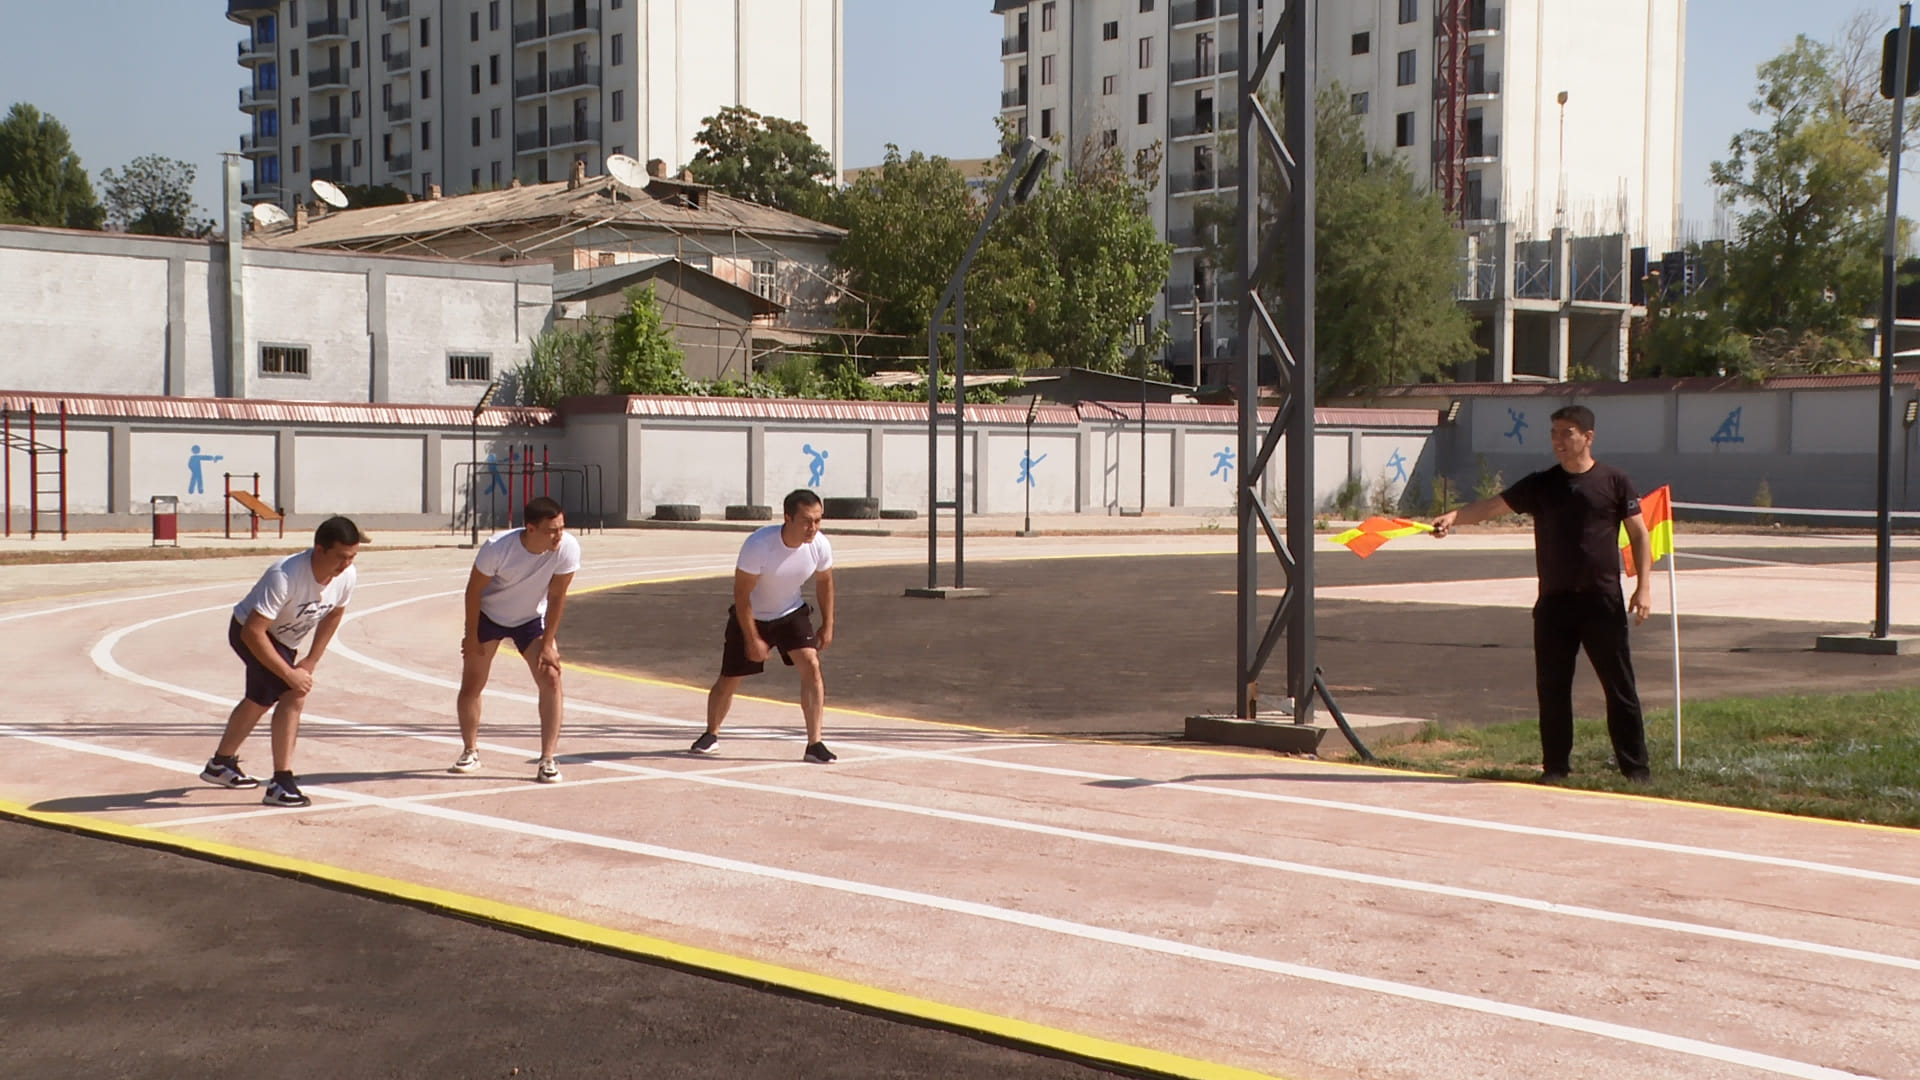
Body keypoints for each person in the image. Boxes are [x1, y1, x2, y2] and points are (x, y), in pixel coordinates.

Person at [1431, 405, 1655, 782]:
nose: (1558, 441)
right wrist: (1455, 516)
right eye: (1554, 432)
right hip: (1554, 603)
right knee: (1552, 688)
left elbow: (1639, 534)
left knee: (1619, 688)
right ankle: (1555, 768)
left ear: (1588, 437)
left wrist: (1644, 586)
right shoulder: (1541, 484)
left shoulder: (1616, 481)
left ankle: (1637, 771)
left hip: (1601, 601)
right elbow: (1493, 507)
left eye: (1567, 432)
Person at [200, 516, 365, 807]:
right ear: (319, 549)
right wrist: (290, 675)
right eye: (340, 557)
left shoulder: (347, 577)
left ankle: (221, 762)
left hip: (285, 641)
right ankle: (281, 781)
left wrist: (311, 661)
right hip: (250, 632)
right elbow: (253, 631)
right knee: (293, 692)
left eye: (352, 557)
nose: (346, 564)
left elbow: (335, 613)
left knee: (260, 697)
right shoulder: (285, 575)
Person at [692, 489, 837, 763]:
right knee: (730, 678)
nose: (813, 528)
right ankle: (711, 734)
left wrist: (828, 624)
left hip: (790, 612)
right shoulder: (759, 544)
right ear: (787, 518)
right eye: (807, 521)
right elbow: (742, 595)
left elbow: (825, 582)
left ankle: (814, 743)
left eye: (818, 520)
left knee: (811, 664)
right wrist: (752, 638)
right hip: (751, 614)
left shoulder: (820, 545)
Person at [451, 496, 581, 783]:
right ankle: (470, 750)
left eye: (561, 527)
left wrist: (548, 644)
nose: (559, 535)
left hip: (531, 620)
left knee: (551, 677)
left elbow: (558, 595)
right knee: (473, 683)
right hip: (489, 616)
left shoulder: (567, 548)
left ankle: (548, 758)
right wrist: (471, 636)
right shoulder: (497, 548)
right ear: (530, 528)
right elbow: (473, 592)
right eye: (552, 530)